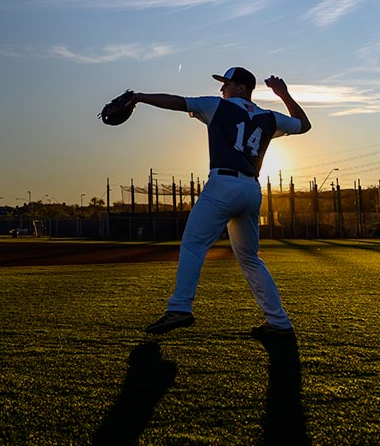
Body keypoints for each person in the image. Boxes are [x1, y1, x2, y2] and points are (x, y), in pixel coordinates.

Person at [112, 67, 311, 337]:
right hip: (251, 190)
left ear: (241, 88)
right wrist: (283, 93)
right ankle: (279, 323)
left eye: (226, 84)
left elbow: (177, 102)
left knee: (194, 244)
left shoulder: (217, 106)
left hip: (223, 185)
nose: (222, 89)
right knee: (251, 259)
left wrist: (139, 97)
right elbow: (303, 124)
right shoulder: (268, 118)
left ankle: (180, 307)